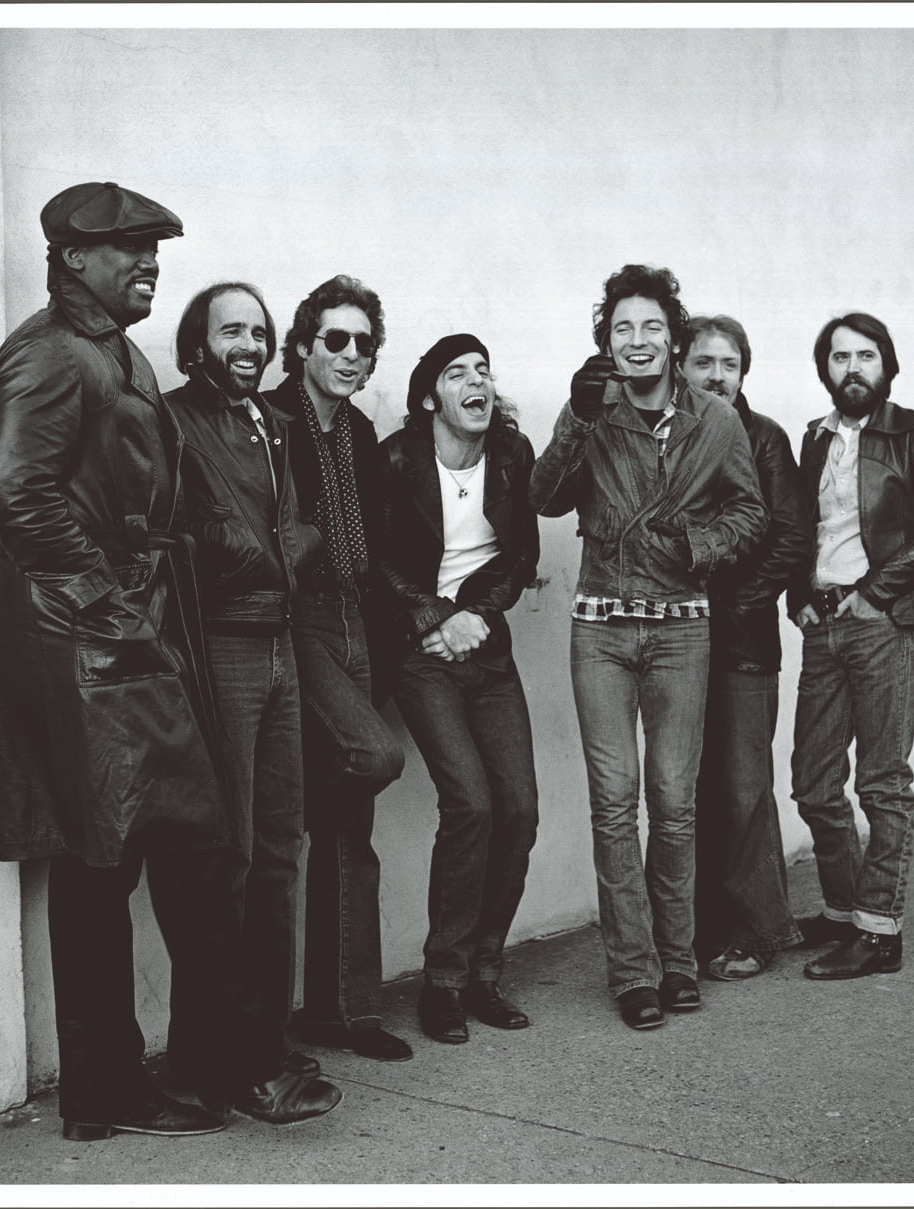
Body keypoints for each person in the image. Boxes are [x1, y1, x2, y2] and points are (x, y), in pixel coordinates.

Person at [0, 182, 302, 1141]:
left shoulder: (110, 351)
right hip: (89, 644)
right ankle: (184, 1076)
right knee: (125, 859)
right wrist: (114, 601)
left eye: (154, 247)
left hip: (118, 640)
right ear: (74, 258)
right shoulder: (46, 355)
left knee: (136, 859)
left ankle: (170, 1075)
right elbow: (12, 494)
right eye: (129, 248)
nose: (150, 261)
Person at [528, 265, 765, 1030]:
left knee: (674, 801)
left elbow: (749, 513)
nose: (637, 341)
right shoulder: (594, 414)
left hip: (680, 629)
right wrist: (574, 414)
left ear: (674, 338)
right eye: (622, 328)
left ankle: (679, 959)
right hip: (599, 627)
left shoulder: (715, 422)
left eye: (652, 327)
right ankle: (633, 972)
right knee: (612, 803)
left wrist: (697, 543)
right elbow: (544, 495)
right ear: (607, 340)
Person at [160, 282, 343, 1122]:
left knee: (279, 851)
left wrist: (281, 549)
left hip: (278, 642)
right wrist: (251, 550)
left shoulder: (273, 422)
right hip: (223, 647)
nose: (249, 342)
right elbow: (170, 530)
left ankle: (263, 1041)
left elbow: (302, 525)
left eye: (259, 331)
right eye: (231, 329)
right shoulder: (172, 418)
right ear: (196, 343)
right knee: (225, 856)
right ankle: (235, 1060)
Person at [788, 312, 914, 979]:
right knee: (812, 782)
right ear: (824, 368)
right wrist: (797, 596)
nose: (852, 368)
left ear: (887, 366)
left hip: (886, 623)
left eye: (865, 356)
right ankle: (844, 910)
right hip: (824, 624)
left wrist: (877, 592)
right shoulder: (815, 439)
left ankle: (879, 931)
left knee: (882, 781)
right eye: (839, 357)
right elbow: (802, 528)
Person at [375, 334, 541, 1044]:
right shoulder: (396, 458)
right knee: (471, 802)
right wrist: (433, 619)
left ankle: (484, 973)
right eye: (457, 372)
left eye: (483, 369)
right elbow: (376, 561)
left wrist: (476, 614)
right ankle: (442, 981)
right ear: (429, 396)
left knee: (520, 809)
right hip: (421, 651)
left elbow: (522, 551)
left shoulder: (511, 455)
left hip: (484, 647)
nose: (476, 380)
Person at [266, 275, 410, 1061]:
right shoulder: (271, 420)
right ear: (302, 347)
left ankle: (346, 1011)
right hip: (300, 622)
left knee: (348, 826)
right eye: (337, 341)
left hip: (359, 622)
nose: (353, 356)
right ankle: (268, 1022)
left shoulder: (357, 430)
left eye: (364, 344)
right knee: (373, 756)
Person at [678, 315, 812, 981]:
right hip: (674, 638)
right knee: (690, 787)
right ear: (682, 366)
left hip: (742, 643)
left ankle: (757, 930)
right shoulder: (669, 435)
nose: (716, 375)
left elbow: (790, 536)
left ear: (743, 370)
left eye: (728, 363)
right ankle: (699, 929)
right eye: (703, 362)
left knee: (743, 785)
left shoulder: (765, 438)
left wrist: (734, 607)